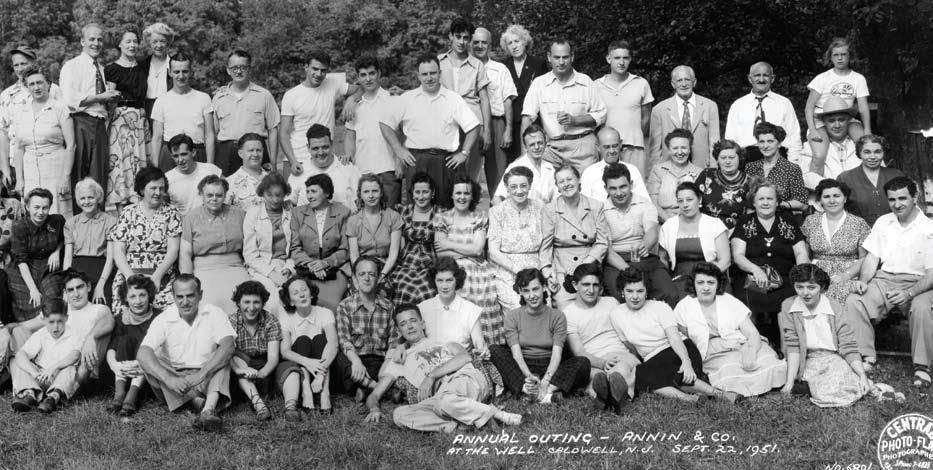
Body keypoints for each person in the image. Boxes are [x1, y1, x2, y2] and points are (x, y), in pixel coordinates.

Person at [365, 305, 522, 432]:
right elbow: (374, 395)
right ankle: (466, 422)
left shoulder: (442, 341)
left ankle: (493, 414)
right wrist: (373, 409)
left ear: (422, 324)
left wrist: (431, 376)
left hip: (463, 378)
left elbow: (465, 358)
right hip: (440, 398)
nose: (410, 326)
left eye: (413, 321)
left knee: (444, 402)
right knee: (400, 415)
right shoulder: (399, 361)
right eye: (403, 324)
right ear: (399, 331)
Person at [844, 176, 933, 382]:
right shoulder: (884, 222)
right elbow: (872, 257)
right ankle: (865, 356)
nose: (897, 204)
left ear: (915, 198)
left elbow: (931, 275)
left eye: (902, 198)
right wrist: (864, 281)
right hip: (884, 279)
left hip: (919, 283)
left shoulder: (929, 228)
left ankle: (922, 366)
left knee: (921, 308)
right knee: (855, 300)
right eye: (892, 199)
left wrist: (908, 293)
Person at [609, 268, 741, 403]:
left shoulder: (659, 307)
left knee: (663, 373)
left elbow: (674, 338)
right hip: (652, 359)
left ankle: (720, 394)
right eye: (629, 291)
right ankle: (691, 400)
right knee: (643, 375)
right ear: (622, 291)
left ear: (646, 291)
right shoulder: (616, 314)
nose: (635, 296)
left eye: (640, 291)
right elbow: (630, 346)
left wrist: (686, 362)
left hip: (678, 350)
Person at [380, 54, 480, 209]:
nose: (429, 78)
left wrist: (464, 153)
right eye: (425, 74)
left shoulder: (453, 99)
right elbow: (385, 124)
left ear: (440, 73)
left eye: (433, 73)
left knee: (445, 209)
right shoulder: (407, 98)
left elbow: (473, 126)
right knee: (417, 209)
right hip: (416, 161)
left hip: (446, 161)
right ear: (418, 76)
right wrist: (398, 150)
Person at [137, 274, 236, 431]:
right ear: (173, 296)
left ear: (200, 295)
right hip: (175, 380)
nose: (185, 302)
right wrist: (169, 379)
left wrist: (202, 373)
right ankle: (196, 403)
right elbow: (143, 353)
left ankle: (207, 410)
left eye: (190, 296)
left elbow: (228, 345)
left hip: (206, 377)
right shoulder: (163, 318)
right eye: (180, 297)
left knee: (223, 358)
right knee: (150, 358)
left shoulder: (214, 313)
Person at [674, 263, 786, 397]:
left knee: (766, 361)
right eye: (700, 282)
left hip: (742, 344)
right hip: (713, 353)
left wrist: (750, 351)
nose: (706, 287)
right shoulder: (684, 306)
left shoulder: (729, 300)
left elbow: (752, 333)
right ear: (693, 284)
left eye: (711, 282)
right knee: (730, 372)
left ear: (718, 284)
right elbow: (681, 340)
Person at [489, 268, 590, 403]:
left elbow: (557, 355)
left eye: (535, 289)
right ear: (520, 292)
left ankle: (543, 392)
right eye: (526, 291)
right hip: (523, 365)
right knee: (494, 350)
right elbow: (517, 355)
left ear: (543, 287)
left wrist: (545, 381)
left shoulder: (557, 316)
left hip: (550, 365)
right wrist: (529, 377)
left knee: (583, 362)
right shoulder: (512, 317)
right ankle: (530, 390)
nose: (532, 295)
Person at [780, 264, 871, 407]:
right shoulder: (788, 305)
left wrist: (862, 375)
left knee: (845, 384)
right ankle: (805, 385)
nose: (805, 293)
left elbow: (848, 345)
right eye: (799, 287)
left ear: (821, 287)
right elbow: (793, 345)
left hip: (832, 358)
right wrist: (789, 383)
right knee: (822, 391)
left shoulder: (834, 307)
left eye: (811, 287)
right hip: (808, 360)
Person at [731, 180, 810, 346]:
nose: (765, 202)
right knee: (748, 301)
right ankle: (756, 347)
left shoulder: (788, 221)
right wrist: (756, 270)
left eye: (770, 198)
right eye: (761, 199)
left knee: (788, 301)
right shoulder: (745, 222)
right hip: (751, 278)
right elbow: (738, 256)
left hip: (785, 277)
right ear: (753, 202)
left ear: (777, 202)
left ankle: (787, 349)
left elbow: (801, 252)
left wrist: (801, 274)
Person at [434, 175, 502, 345]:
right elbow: (440, 253)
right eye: (458, 193)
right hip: (451, 269)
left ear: (472, 196)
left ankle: (484, 348)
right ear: (451, 195)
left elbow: (478, 249)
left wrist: (449, 243)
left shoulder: (479, 217)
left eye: (466, 193)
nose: (462, 197)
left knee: (482, 298)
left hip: (478, 270)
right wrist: (468, 251)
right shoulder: (442, 218)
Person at [60, 24, 121, 214]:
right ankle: (79, 223)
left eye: (100, 39)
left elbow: (103, 103)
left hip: (100, 125)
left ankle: (98, 224)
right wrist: (100, 97)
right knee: (79, 176)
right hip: (80, 123)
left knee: (98, 177)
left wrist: (111, 100)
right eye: (92, 39)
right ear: (82, 41)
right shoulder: (72, 66)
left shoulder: (102, 69)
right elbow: (69, 100)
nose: (96, 43)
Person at [562, 263, 639, 413]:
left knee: (620, 369)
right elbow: (578, 352)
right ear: (575, 285)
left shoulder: (610, 302)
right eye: (586, 285)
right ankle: (606, 396)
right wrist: (602, 363)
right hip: (592, 359)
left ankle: (622, 398)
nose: (591, 290)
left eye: (595, 285)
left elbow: (627, 330)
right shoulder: (568, 314)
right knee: (596, 376)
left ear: (600, 287)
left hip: (618, 354)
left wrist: (635, 353)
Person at [520, 39, 606, 172]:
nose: (561, 62)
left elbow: (601, 114)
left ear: (572, 57)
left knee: (587, 183)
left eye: (565, 57)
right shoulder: (539, 84)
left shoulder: (586, 82)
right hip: (551, 148)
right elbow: (527, 118)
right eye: (557, 57)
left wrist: (575, 120)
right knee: (541, 179)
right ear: (549, 57)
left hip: (582, 146)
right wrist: (524, 154)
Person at [601, 163, 678, 306]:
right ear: (606, 188)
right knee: (621, 297)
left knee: (670, 294)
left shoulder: (645, 204)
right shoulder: (601, 210)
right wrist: (628, 271)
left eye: (623, 186)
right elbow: (608, 251)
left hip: (644, 257)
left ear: (631, 184)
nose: (619, 193)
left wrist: (645, 245)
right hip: (616, 262)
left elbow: (652, 230)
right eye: (613, 188)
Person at [280, 50, 359, 181]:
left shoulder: (332, 84)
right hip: (298, 159)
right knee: (291, 194)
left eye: (323, 70)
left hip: (323, 158)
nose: (319, 74)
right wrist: (292, 161)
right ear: (306, 67)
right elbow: (283, 133)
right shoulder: (291, 95)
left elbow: (360, 89)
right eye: (315, 69)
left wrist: (351, 100)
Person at [110, 167, 180, 312]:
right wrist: (130, 278)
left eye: (161, 188)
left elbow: (173, 250)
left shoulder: (171, 212)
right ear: (142, 189)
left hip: (161, 275)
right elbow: (118, 251)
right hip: (129, 274)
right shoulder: (128, 212)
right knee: (124, 312)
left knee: (167, 314)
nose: (158, 192)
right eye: (153, 188)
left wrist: (157, 277)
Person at [540, 164, 609, 307]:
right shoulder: (550, 209)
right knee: (564, 306)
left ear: (578, 180)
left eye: (569, 179)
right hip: (562, 268)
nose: (566, 184)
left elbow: (602, 242)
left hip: (589, 265)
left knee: (593, 306)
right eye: (561, 181)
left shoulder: (596, 206)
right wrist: (548, 272)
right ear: (557, 187)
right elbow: (545, 246)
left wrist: (585, 264)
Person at [179, 175, 250, 313]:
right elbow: (185, 254)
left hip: (235, 267)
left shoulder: (239, 214)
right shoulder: (191, 218)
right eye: (209, 195)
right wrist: (188, 283)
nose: (214, 199)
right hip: (204, 270)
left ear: (225, 195)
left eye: (219, 195)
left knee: (246, 302)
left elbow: (249, 246)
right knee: (209, 305)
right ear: (202, 195)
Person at [11, 65, 74, 216]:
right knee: (35, 212)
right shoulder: (20, 111)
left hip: (56, 169)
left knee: (58, 213)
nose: (36, 87)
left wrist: (65, 177)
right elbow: (18, 148)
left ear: (48, 84)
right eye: (31, 84)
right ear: (26, 87)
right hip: (30, 171)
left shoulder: (60, 108)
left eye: (40, 82)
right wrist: (20, 179)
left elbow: (71, 145)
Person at [333, 256, 398, 399]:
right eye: (362, 274)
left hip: (380, 362)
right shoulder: (345, 306)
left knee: (398, 361)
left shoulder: (388, 306)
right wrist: (356, 361)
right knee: (337, 358)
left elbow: (394, 341)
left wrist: (387, 363)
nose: (366, 278)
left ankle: (362, 387)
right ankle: (378, 388)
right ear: (355, 279)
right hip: (355, 360)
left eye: (371, 274)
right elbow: (344, 340)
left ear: (378, 278)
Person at [805, 38, 871, 175]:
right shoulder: (822, 78)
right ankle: (816, 186)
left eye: (843, 54)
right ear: (831, 57)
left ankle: (871, 182)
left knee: (867, 146)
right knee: (819, 155)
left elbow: (863, 108)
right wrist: (813, 130)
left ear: (850, 56)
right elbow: (809, 108)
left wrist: (867, 130)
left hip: (846, 118)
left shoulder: (858, 78)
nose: (840, 58)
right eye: (836, 55)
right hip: (821, 120)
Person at [276, 274, 337, 419]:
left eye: (304, 290)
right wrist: (308, 362)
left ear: (311, 293)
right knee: (303, 340)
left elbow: (333, 343)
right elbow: (285, 351)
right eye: (295, 293)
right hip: (300, 366)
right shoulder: (285, 317)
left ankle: (325, 393)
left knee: (320, 339)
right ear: (291, 301)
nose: (302, 294)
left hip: (325, 369)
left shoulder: (325, 313)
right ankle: (306, 392)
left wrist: (320, 373)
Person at [799, 179, 870, 305]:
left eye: (836, 196)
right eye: (826, 197)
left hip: (848, 274)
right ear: (820, 200)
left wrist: (846, 275)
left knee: (845, 300)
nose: (832, 201)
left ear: (845, 199)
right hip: (816, 273)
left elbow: (864, 258)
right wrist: (810, 275)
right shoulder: (810, 221)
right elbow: (804, 254)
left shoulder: (858, 223)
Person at [0, 46, 63, 187]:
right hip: (16, 163)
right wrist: (5, 169)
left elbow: (66, 125)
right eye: (16, 65)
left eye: (24, 63)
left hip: (51, 160)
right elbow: (2, 134)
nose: (20, 69)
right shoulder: (6, 95)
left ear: (34, 63)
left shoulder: (53, 90)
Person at [212, 50, 280, 176]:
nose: (238, 71)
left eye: (243, 67)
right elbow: (213, 133)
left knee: (259, 186)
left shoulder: (264, 95)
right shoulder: (218, 98)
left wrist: (273, 162)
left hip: (256, 152)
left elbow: (273, 130)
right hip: (226, 154)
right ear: (228, 70)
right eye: (234, 68)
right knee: (225, 187)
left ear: (249, 69)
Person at [289, 173, 351, 312]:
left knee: (333, 303)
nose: (309, 196)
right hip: (306, 269)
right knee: (302, 300)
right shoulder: (298, 213)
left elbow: (345, 249)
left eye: (314, 191)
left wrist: (325, 263)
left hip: (334, 269)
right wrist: (312, 265)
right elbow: (295, 248)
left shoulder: (343, 212)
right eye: (308, 192)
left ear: (327, 193)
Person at [438, 18, 490, 183]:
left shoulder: (477, 65)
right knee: (445, 172)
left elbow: (484, 99)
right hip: (445, 124)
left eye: (466, 38)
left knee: (470, 175)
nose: (461, 42)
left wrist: (487, 131)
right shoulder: (439, 62)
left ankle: (471, 198)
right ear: (450, 36)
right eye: (458, 36)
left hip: (472, 124)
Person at [343, 55, 400, 206]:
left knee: (390, 216)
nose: (368, 79)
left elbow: (402, 134)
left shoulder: (392, 99)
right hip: (362, 171)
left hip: (389, 170)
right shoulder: (353, 106)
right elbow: (350, 136)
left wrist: (399, 160)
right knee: (365, 218)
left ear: (379, 73)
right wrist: (349, 155)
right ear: (358, 77)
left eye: (371, 73)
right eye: (363, 75)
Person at [103, 25, 149, 211]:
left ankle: (141, 213)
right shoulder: (112, 69)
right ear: (119, 44)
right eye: (128, 41)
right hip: (121, 120)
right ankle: (122, 213)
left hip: (140, 119)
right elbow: (109, 97)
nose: (132, 45)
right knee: (122, 164)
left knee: (139, 162)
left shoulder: (143, 67)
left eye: (135, 41)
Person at [659, 182, 731, 297]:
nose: (685, 205)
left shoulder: (714, 224)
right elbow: (663, 259)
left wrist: (705, 278)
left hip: (712, 277)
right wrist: (665, 281)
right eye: (680, 201)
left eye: (689, 200)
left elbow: (725, 261)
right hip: (680, 280)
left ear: (699, 199)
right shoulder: (669, 225)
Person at [488, 166, 544, 312]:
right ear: (506, 188)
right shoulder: (497, 211)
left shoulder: (540, 207)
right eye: (513, 187)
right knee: (518, 307)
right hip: (507, 270)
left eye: (523, 185)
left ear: (530, 185)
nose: (519, 191)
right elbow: (493, 252)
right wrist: (518, 269)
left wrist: (544, 270)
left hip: (536, 268)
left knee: (543, 306)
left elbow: (546, 244)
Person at [724, 62, 802, 166]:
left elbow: (794, 137)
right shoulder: (738, 105)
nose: (761, 79)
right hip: (747, 158)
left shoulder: (784, 103)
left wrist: (793, 165)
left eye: (765, 75)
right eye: (757, 75)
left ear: (772, 78)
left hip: (778, 157)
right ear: (750, 78)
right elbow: (730, 140)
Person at [594, 41, 654, 176]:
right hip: (608, 148)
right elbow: (594, 119)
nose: (621, 62)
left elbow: (646, 117)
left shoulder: (641, 83)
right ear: (608, 59)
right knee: (607, 183)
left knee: (636, 183)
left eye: (625, 58)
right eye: (617, 58)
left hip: (634, 147)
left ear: (630, 59)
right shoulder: (597, 85)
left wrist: (634, 135)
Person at [10, 298, 79, 413]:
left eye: (60, 321)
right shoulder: (41, 334)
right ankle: (30, 393)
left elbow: (75, 355)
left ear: (66, 318)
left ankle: (53, 398)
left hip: (58, 376)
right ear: (44, 319)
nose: (56, 327)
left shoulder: (73, 334)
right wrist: (33, 372)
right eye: (51, 322)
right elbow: (21, 354)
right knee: (16, 361)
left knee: (70, 369)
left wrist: (54, 368)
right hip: (39, 375)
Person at [5, 188, 65, 321]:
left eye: (45, 208)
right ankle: (27, 329)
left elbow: (63, 239)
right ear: (27, 207)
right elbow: (21, 260)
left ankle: (52, 326)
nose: (40, 212)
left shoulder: (57, 221)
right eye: (36, 207)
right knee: (32, 302)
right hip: (24, 268)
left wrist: (56, 252)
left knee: (52, 299)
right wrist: (33, 289)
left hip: (48, 267)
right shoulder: (19, 226)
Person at [149, 52, 215, 170]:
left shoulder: (204, 98)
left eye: (185, 71)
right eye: (176, 72)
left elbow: (209, 135)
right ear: (169, 72)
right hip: (170, 155)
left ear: (191, 72)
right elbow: (157, 138)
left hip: (197, 153)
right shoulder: (161, 101)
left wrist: (210, 166)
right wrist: (155, 168)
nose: (181, 76)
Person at [472, 27, 517, 198]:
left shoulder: (500, 69)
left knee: (498, 174)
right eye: (476, 42)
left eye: (484, 42)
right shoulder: (466, 68)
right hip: (472, 124)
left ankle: (498, 209)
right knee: (467, 173)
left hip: (496, 123)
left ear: (490, 45)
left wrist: (508, 130)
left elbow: (508, 100)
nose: (480, 46)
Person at [648, 65, 720, 170]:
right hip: (669, 169)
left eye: (687, 79)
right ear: (673, 84)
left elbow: (714, 142)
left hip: (702, 168)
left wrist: (713, 169)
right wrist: (656, 172)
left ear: (694, 82)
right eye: (679, 80)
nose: (684, 84)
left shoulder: (710, 106)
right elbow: (655, 148)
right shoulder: (659, 109)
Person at [795, 97, 862, 208]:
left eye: (841, 120)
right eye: (831, 121)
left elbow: (878, 170)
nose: (837, 125)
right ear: (825, 122)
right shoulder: (812, 146)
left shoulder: (859, 144)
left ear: (848, 120)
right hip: (824, 207)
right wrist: (836, 189)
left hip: (859, 204)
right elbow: (804, 176)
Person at [228, 280, 280, 421]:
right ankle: (259, 405)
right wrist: (241, 370)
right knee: (237, 358)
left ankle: (255, 393)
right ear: (238, 303)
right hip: (239, 366)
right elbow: (227, 354)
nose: (251, 307)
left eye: (256, 302)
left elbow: (273, 358)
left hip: (263, 366)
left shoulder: (271, 321)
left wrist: (261, 374)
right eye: (246, 302)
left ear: (263, 303)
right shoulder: (231, 322)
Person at [243, 172, 295, 315]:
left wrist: (289, 268)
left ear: (285, 194)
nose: (275, 199)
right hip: (261, 266)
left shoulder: (291, 212)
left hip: (286, 265)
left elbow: (296, 247)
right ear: (262, 193)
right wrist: (272, 274)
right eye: (269, 195)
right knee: (270, 300)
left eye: (279, 195)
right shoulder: (253, 214)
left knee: (293, 297)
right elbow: (250, 254)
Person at [105, 274, 157, 416]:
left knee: (146, 345)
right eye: (132, 296)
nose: (138, 301)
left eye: (142, 295)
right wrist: (114, 365)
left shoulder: (158, 316)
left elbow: (161, 350)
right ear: (126, 298)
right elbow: (112, 347)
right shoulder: (121, 318)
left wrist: (141, 364)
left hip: (147, 375)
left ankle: (132, 397)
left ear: (149, 295)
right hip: (122, 373)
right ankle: (119, 394)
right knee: (124, 340)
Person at [63, 177, 116, 306]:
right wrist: (66, 285)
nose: (86, 202)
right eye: (82, 198)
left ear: (98, 198)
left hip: (102, 270)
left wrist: (101, 285)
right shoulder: (71, 223)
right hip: (76, 271)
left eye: (90, 197)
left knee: (102, 304)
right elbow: (68, 257)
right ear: (78, 200)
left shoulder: (111, 221)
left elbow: (110, 258)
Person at [501, 24, 550, 162]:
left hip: (535, 122)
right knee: (515, 162)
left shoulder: (538, 63)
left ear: (525, 42)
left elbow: (545, 93)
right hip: (511, 123)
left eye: (517, 41)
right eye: (510, 43)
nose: (514, 46)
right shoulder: (503, 66)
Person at [346, 174, 403, 290]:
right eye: (366, 192)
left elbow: (393, 253)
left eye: (375, 191)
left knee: (385, 289)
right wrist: (360, 273)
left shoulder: (393, 216)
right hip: (363, 266)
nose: (371, 196)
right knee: (360, 290)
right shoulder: (353, 220)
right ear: (360, 195)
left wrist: (382, 275)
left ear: (381, 193)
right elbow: (354, 255)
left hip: (387, 266)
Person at [390, 172, 438, 306]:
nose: (421, 197)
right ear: (412, 193)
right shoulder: (403, 211)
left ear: (432, 193)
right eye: (417, 192)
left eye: (425, 192)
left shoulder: (440, 213)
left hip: (430, 264)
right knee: (403, 288)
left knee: (428, 291)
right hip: (406, 264)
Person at [836, 134, 904, 226]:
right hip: (859, 231)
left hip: (895, 229)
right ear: (859, 153)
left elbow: (907, 205)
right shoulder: (845, 178)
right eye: (867, 152)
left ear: (884, 153)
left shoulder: (896, 175)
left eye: (877, 152)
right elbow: (837, 209)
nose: (872, 157)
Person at [745, 122, 808, 214]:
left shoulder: (792, 169)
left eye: (770, 141)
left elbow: (803, 203)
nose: (765, 146)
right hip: (754, 217)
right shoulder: (751, 167)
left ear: (779, 144)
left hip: (781, 216)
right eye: (762, 142)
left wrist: (777, 204)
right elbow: (747, 198)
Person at [295, 124, 361, 211]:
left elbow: (363, 204)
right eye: (315, 148)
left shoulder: (348, 169)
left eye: (325, 147)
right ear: (308, 147)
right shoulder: (299, 173)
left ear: (331, 144)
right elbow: (288, 207)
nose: (321, 153)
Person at [580, 126, 649, 203]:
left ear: (620, 144)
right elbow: (584, 204)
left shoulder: (632, 170)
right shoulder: (589, 173)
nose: (611, 151)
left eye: (615, 146)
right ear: (598, 147)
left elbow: (645, 201)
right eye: (607, 147)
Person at [647, 128, 703, 222]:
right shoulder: (658, 170)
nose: (680, 152)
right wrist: (670, 223)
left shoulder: (700, 172)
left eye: (683, 148)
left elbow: (701, 204)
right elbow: (654, 203)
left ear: (690, 149)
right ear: (669, 150)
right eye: (675, 148)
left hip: (691, 222)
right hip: (663, 221)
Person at [492, 125, 556, 205]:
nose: (537, 147)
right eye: (532, 144)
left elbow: (557, 199)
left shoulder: (550, 168)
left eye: (540, 143)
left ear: (545, 144)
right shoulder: (516, 167)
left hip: (545, 211)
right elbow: (497, 198)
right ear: (525, 147)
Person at [695, 140, 752, 231]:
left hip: (737, 232)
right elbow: (694, 202)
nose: (727, 161)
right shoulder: (707, 174)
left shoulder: (750, 182)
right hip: (706, 229)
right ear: (717, 159)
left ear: (740, 158)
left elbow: (751, 216)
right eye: (723, 158)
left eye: (732, 157)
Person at [164, 133, 222, 216]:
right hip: (183, 222)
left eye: (184, 154)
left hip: (211, 220)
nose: (180, 160)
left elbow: (228, 193)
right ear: (171, 156)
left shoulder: (210, 170)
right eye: (176, 156)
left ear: (193, 152)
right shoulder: (167, 178)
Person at [139, 22, 176, 120]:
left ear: (168, 42)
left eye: (162, 41)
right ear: (149, 43)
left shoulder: (175, 65)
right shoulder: (141, 66)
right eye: (154, 42)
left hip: (169, 111)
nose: (158, 45)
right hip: (145, 113)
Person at [225, 133, 268, 211]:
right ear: (240, 153)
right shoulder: (230, 183)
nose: (255, 154)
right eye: (251, 150)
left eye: (258, 150)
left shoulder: (274, 179)